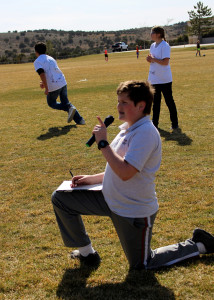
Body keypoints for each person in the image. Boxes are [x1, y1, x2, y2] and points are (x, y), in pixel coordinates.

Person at [52, 80, 214, 270]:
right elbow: (116, 167)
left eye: (124, 102)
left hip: (132, 210)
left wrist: (103, 144)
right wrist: (91, 179)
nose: (118, 106)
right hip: (110, 198)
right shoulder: (128, 128)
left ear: (141, 106)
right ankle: (87, 253)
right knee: (61, 199)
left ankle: (200, 244)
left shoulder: (145, 133)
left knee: (142, 264)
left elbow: (126, 172)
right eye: (118, 101)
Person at [34, 42, 85, 124]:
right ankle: (80, 120)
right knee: (66, 102)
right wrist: (44, 83)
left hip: (53, 85)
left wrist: (47, 88)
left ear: (36, 52)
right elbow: (51, 72)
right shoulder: (51, 58)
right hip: (62, 82)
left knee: (51, 103)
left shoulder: (37, 61)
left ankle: (69, 108)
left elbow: (42, 74)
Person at [146, 26, 178, 130]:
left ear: (158, 34)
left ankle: (174, 124)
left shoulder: (165, 46)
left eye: (152, 32)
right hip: (154, 78)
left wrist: (153, 59)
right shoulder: (152, 45)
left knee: (169, 101)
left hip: (164, 79)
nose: (151, 34)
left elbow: (165, 62)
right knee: (156, 103)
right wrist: (149, 60)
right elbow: (153, 60)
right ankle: (155, 124)